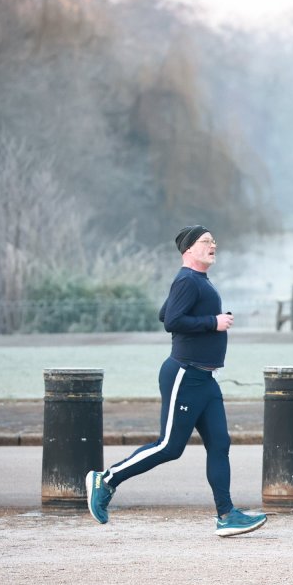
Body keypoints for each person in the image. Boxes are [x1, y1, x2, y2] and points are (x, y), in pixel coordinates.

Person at [85, 225, 266, 537]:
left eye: (213, 240)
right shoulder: (187, 279)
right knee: (170, 446)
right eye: (206, 241)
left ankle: (227, 515)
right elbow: (171, 322)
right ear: (188, 251)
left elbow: (164, 311)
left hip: (206, 379)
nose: (213, 245)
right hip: (186, 373)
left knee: (220, 444)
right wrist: (214, 322)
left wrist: (203, 319)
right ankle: (106, 479)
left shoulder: (194, 281)